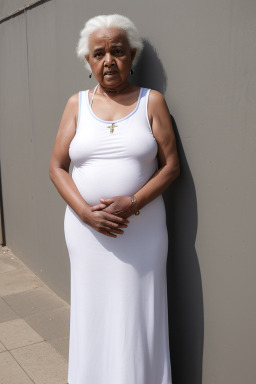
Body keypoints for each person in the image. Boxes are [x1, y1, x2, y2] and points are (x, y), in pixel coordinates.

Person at [49, 14, 180, 384]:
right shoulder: (75, 104)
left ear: (132, 55)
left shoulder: (151, 102)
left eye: (118, 51)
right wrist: (84, 213)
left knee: (138, 312)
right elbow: (57, 166)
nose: (109, 60)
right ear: (88, 62)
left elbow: (171, 167)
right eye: (99, 53)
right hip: (85, 233)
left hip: (143, 232)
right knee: (93, 311)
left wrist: (133, 203)